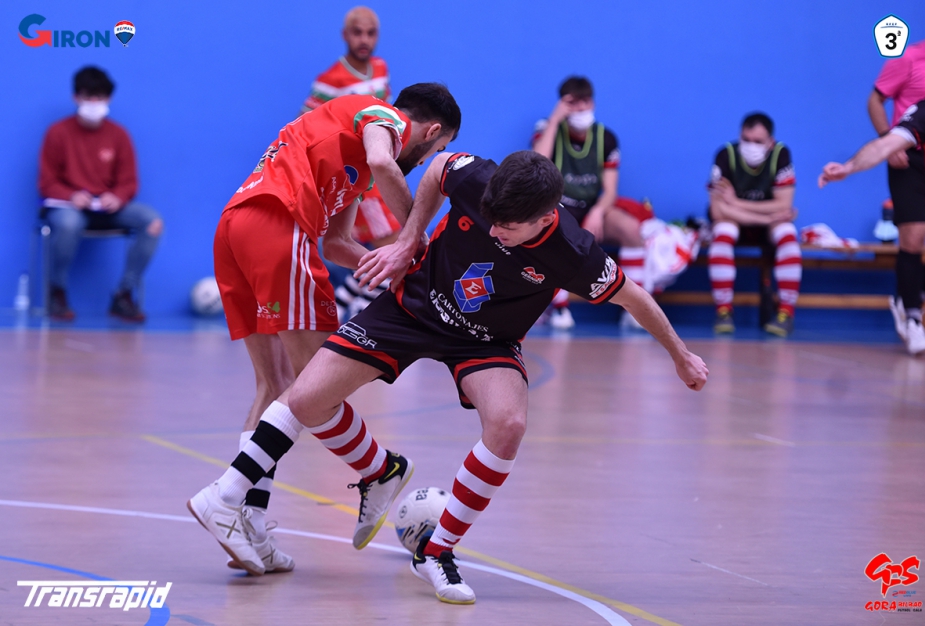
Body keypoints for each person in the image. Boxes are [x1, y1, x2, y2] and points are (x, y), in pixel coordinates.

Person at [187, 150, 709, 603]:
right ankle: (369, 473)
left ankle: (437, 552)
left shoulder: (574, 252)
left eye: (508, 227)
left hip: (485, 342)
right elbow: (438, 167)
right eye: (491, 219)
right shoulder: (479, 179)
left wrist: (681, 355)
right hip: (411, 308)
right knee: (305, 397)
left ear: (545, 217)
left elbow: (634, 298)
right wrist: (409, 237)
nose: (495, 230)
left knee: (508, 423)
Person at [188, 85, 460, 576]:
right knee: (316, 385)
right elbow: (383, 161)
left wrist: (393, 267)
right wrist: (415, 240)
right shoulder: (381, 116)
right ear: (432, 132)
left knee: (276, 385)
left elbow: (336, 243)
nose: (425, 163)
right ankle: (378, 469)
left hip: (237, 229)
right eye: (435, 152)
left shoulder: (352, 159)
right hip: (278, 226)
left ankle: (249, 523)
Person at [38, 66, 163, 322]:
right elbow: (47, 182)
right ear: (76, 97)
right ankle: (56, 291)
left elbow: (129, 182)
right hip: (69, 208)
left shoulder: (119, 135)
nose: (95, 103)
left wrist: (117, 197)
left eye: (100, 97)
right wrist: (71, 196)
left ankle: (123, 294)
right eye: (89, 96)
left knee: (152, 222)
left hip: (107, 209)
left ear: (109, 99)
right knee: (69, 223)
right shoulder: (57, 132)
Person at [819, 90, 925, 353]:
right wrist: (849, 167)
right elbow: (885, 145)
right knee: (914, 237)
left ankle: (914, 295)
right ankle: (911, 312)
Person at [300, 6, 401, 320]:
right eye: (357, 32)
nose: (364, 39)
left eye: (371, 33)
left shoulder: (381, 68)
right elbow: (305, 126)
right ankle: (358, 310)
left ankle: (344, 305)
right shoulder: (330, 80)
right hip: (356, 178)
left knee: (385, 248)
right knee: (392, 245)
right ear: (345, 35)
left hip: (378, 171)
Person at [532, 76, 654, 329]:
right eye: (572, 103)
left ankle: (634, 311)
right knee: (553, 232)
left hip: (591, 208)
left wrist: (598, 211)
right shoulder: (548, 130)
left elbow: (610, 190)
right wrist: (555, 119)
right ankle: (559, 309)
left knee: (631, 230)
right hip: (559, 207)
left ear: (593, 103)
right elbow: (537, 163)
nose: (580, 108)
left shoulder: (606, 138)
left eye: (585, 102)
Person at [866, 0, 925, 355]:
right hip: (908, 159)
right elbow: (875, 100)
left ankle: (910, 294)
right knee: (914, 236)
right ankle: (912, 319)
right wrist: (887, 141)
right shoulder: (909, 57)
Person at [707, 112, 801, 337]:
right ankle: (723, 311)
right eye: (746, 140)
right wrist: (766, 217)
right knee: (723, 230)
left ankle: (786, 314)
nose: (751, 146)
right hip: (744, 221)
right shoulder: (725, 155)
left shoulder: (781, 154)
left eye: (758, 141)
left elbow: (784, 204)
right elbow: (718, 211)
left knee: (788, 233)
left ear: (770, 142)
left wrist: (736, 202)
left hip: (761, 223)